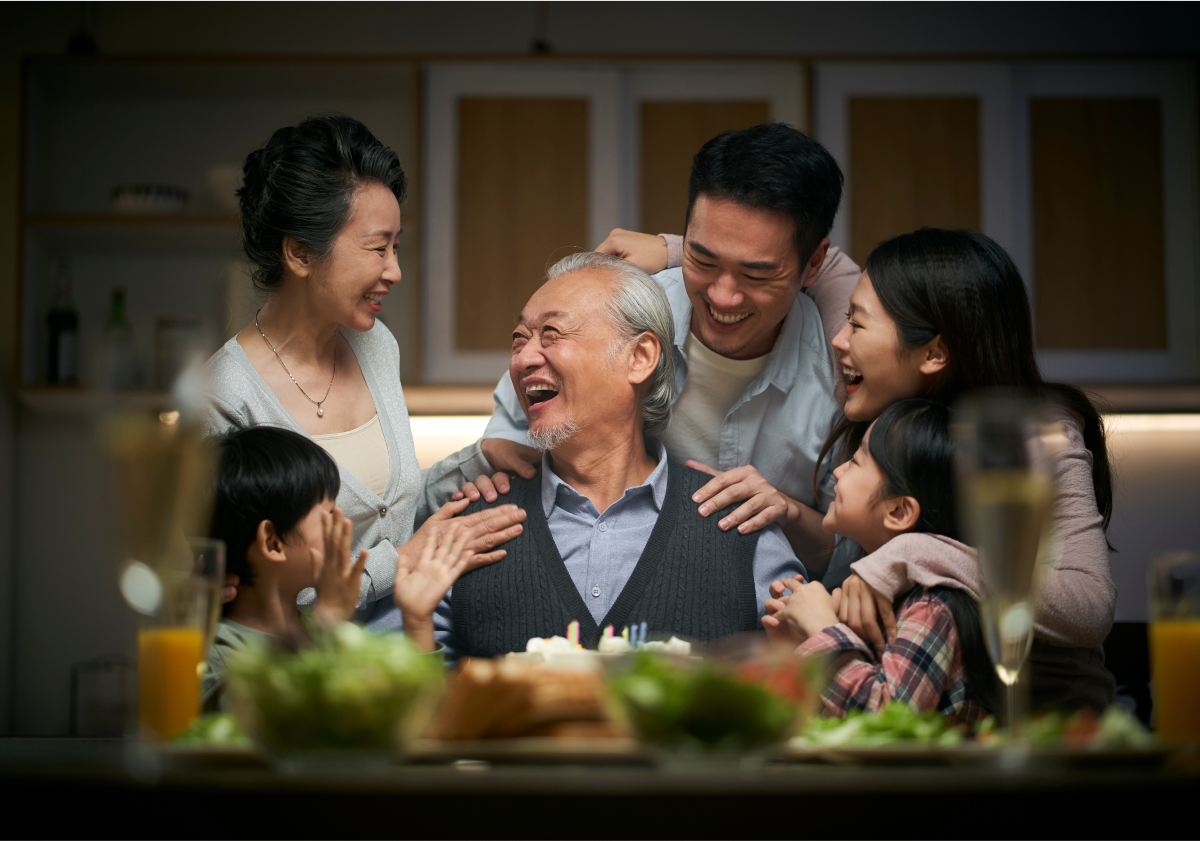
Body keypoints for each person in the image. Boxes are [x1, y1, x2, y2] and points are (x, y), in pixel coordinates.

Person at [471, 123, 852, 576]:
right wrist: (501, 457)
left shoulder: (843, 370)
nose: (723, 297)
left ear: (813, 264)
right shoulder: (618, 311)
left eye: (756, 275)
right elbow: (515, 431)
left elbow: (849, 548)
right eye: (702, 260)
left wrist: (784, 511)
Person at [394, 252, 805, 658]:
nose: (523, 358)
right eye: (519, 339)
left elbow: (806, 681)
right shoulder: (466, 524)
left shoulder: (740, 524)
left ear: (639, 357)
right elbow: (408, 704)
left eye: (552, 333)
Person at [202, 115, 525, 626]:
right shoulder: (223, 397)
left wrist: (474, 462)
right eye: (378, 249)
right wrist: (400, 563)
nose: (394, 270)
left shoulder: (376, 348)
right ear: (300, 252)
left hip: (406, 641)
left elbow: (382, 513)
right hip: (300, 678)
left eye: (396, 247)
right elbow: (242, 593)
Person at [821, 228, 1116, 710]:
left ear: (935, 353)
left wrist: (911, 553)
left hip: (1050, 739)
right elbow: (816, 262)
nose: (838, 339)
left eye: (856, 325)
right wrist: (672, 249)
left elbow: (1088, 606)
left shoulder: (1038, 439)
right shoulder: (892, 417)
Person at [763, 399, 996, 720]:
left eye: (857, 461)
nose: (840, 470)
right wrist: (797, 649)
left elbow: (887, 721)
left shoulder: (932, 606)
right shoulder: (876, 596)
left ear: (898, 511)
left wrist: (821, 630)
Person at [202, 427, 370, 710]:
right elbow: (279, 729)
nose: (343, 526)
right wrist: (328, 623)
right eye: (328, 515)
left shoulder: (309, 626)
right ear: (272, 542)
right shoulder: (216, 653)